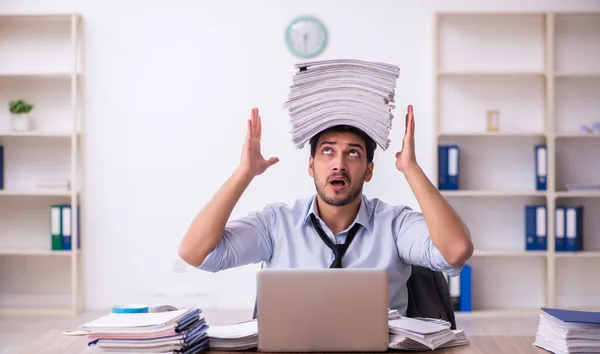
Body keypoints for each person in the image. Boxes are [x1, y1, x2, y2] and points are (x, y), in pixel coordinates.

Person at [178, 105, 474, 316]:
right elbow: (195, 253)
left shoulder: (395, 224)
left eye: (353, 153)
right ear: (311, 166)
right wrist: (244, 173)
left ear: (369, 170)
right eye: (327, 151)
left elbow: (455, 251)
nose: (339, 164)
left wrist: (410, 168)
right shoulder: (276, 223)